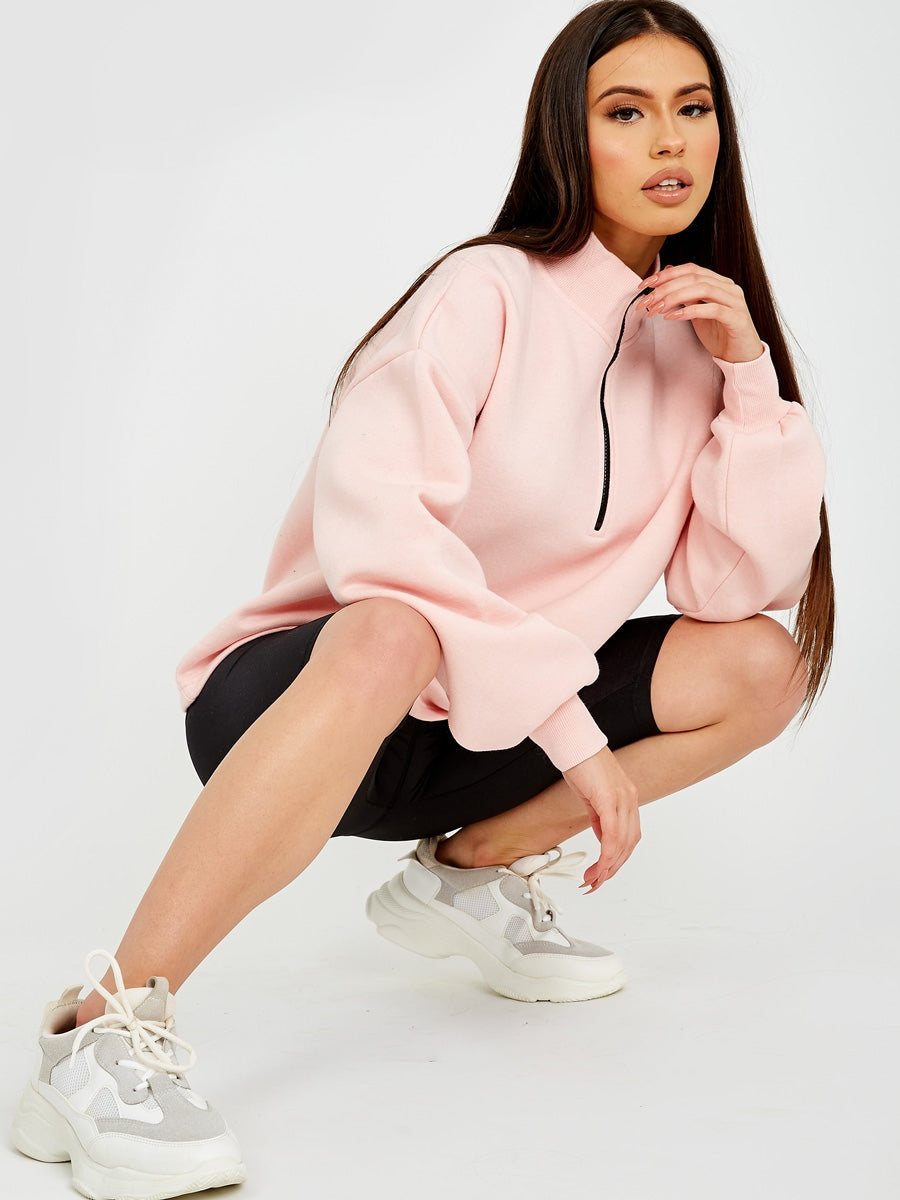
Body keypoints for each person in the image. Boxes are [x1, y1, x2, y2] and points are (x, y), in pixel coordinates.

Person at [12, 2, 833, 1197]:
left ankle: (467, 870)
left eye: (693, 108)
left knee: (764, 664)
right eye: (626, 111)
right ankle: (97, 1035)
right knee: (396, 628)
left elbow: (733, 588)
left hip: (475, 739)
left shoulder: (698, 344)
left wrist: (749, 378)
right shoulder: (483, 291)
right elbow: (382, 545)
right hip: (308, 698)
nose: (670, 140)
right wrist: (570, 733)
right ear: (568, 139)